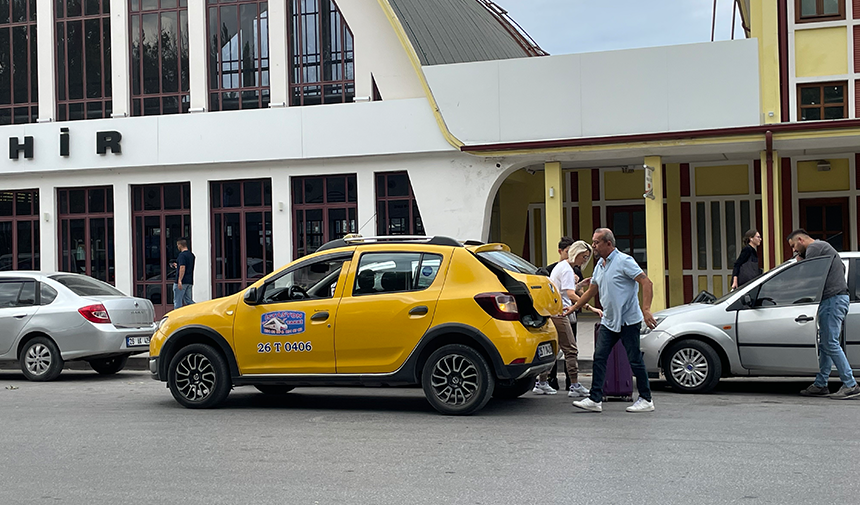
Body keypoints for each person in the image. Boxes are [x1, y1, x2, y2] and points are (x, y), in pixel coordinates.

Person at [566, 228, 657, 413]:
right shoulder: (600, 265)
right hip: (609, 321)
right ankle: (595, 399)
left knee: (634, 360)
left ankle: (646, 399)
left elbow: (646, 283)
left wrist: (646, 310)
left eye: (597, 242)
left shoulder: (624, 261)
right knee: (599, 357)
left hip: (628, 321)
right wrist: (574, 308)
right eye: (593, 242)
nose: (593, 246)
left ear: (609, 243)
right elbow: (592, 290)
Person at [788, 230, 859, 399]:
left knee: (830, 343)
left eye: (793, 246)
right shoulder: (827, 249)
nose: (794, 250)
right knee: (825, 344)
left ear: (800, 239)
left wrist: (799, 263)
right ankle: (821, 384)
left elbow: (810, 275)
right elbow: (840, 268)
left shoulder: (814, 247)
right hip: (836, 299)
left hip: (832, 300)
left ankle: (850, 384)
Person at [534, 238, 603, 396]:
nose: (585, 260)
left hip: (558, 310)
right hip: (560, 312)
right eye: (584, 256)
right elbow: (570, 294)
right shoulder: (566, 269)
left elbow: (566, 290)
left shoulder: (564, 267)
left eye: (587, 257)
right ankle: (574, 385)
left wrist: (579, 286)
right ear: (576, 254)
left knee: (557, 350)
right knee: (571, 350)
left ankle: (542, 382)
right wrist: (589, 307)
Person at [172, 239, 195, 309]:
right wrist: (177, 266)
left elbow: (182, 267)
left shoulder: (182, 255)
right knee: (188, 300)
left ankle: (177, 317)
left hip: (182, 282)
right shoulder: (191, 255)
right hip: (189, 281)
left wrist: (179, 280)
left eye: (177, 245)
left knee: (177, 301)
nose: (177, 247)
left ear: (180, 245)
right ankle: (197, 311)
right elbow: (186, 266)